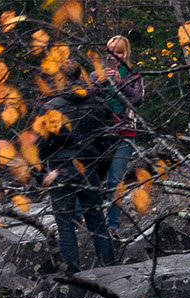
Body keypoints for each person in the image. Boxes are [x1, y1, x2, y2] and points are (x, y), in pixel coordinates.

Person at [41, 90, 117, 270]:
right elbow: (109, 141)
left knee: (65, 224)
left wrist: (44, 168)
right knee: (97, 222)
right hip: (89, 167)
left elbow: (41, 142)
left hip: (61, 167)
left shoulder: (51, 107)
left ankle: (73, 277)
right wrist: (101, 170)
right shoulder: (98, 104)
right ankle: (111, 269)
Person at [98, 37, 149, 236]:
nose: (114, 56)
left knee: (115, 180)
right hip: (101, 132)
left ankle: (112, 226)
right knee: (91, 177)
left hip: (125, 132)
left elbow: (137, 100)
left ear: (125, 54)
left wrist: (120, 83)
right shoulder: (98, 74)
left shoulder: (134, 76)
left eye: (118, 52)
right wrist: (100, 82)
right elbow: (88, 98)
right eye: (111, 51)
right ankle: (85, 219)